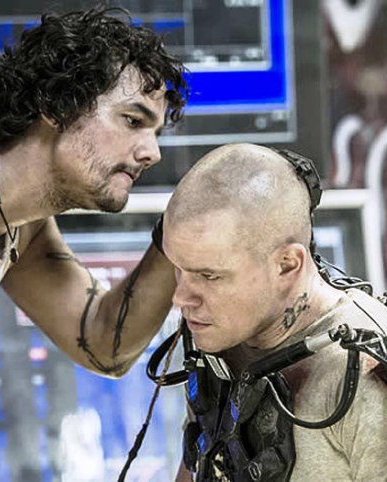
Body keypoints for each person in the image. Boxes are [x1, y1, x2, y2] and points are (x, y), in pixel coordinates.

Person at [0, 7, 187, 479]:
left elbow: (104, 343)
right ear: (57, 106)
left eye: (155, 132)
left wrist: (179, 227)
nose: (152, 152)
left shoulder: (20, 219)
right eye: (132, 120)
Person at [161, 144, 387, 481]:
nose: (181, 297)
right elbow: (199, 462)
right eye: (178, 269)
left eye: (209, 276)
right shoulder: (224, 333)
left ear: (287, 265)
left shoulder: (361, 374)